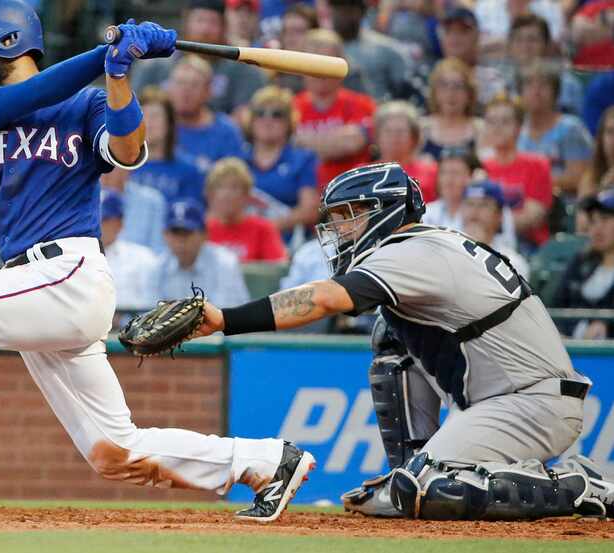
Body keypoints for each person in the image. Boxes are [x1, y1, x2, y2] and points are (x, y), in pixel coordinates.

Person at [0, 1, 314, 524]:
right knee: (114, 451)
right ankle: (264, 461)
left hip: (68, 273)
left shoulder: (86, 104)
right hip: (32, 286)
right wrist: (107, 52)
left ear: (8, 36)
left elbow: (127, 150)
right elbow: (35, 94)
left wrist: (119, 75)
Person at [186, 161, 614, 521]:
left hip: (530, 401)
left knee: (434, 490)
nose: (341, 228)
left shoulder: (410, 251)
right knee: (390, 340)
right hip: (503, 399)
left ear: (385, 211)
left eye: (351, 214)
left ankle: (578, 484)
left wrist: (226, 319)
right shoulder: (423, 246)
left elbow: (323, 298)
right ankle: (414, 470)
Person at [131, 0, 268, 119]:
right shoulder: (154, 67)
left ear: (224, 27)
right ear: (186, 22)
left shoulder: (243, 70)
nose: (205, 29)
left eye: (212, 22)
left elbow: (246, 120)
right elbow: (132, 113)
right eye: (200, 20)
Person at [293, 28, 376, 191]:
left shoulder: (363, 105)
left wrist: (303, 143)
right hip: (303, 197)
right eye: (312, 64)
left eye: (327, 62)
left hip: (352, 196)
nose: (319, 71)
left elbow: (352, 144)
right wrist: (334, 142)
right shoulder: (289, 107)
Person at [242, 85, 319, 236]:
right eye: (260, 113)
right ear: (251, 120)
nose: (267, 120)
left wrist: (267, 228)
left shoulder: (302, 159)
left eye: (277, 114)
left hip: (286, 245)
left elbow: (310, 211)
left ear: (289, 121)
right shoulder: (238, 160)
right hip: (242, 243)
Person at [151, 199, 252, 308]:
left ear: (204, 235)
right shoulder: (158, 265)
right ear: (165, 235)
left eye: (187, 233)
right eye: (175, 233)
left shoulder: (224, 262)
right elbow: (149, 312)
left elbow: (228, 312)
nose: (180, 241)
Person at [481, 95, 553, 249]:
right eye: (491, 121)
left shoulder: (537, 165)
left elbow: (532, 217)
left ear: (519, 127)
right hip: (486, 243)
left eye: (505, 121)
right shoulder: (480, 166)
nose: (497, 127)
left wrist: (488, 221)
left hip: (527, 245)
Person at [517, 60, 593, 197]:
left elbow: (578, 176)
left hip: (563, 204)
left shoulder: (570, 128)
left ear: (555, 92)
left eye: (543, 85)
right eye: (529, 84)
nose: (536, 91)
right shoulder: (516, 128)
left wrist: (533, 183)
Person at [167, 55, 246, 174]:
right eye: (180, 83)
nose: (185, 91)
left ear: (208, 91)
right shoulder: (158, 127)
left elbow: (233, 180)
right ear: (169, 88)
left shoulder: (226, 132)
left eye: (194, 85)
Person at [553, 190, 614, 340]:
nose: (597, 228)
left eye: (605, 219)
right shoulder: (580, 262)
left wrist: (607, 327)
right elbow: (558, 308)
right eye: (592, 221)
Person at [129, 87, 205, 204]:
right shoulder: (122, 167)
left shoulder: (188, 170)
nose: (148, 123)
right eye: (143, 115)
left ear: (169, 124)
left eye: (155, 116)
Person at [205, 157, 287, 262]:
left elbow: (277, 270)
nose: (227, 194)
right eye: (220, 187)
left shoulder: (263, 229)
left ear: (246, 195)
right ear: (210, 195)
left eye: (234, 187)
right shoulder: (203, 231)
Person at [328, 0, 411, 101]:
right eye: (338, 9)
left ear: (362, 12)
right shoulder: (319, 49)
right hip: (330, 113)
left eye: (349, 10)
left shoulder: (386, 48)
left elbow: (403, 89)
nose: (343, 15)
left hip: (375, 109)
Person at [503, 14, 583, 116]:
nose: (525, 46)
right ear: (510, 46)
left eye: (532, 40)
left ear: (547, 46)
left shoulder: (567, 83)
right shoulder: (502, 82)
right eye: (518, 40)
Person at [99, 189, 157, 312]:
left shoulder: (143, 258)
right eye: (92, 218)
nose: (96, 225)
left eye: (104, 220)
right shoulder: (72, 257)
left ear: (119, 223)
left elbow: (152, 305)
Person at [460, 179, 529, 279]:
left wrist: (480, 249)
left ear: (499, 215)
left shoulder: (513, 263)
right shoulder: (446, 250)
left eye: (484, 205)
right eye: (470, 204)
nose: (475, 211)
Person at [437, 6, 505, 106]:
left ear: (477, 36)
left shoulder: (492, 78)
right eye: (449, 31)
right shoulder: (430, 76)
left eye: (463, 31)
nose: (455, 37)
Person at [420, 58, 482, 161]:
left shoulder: (480, 130)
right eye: (444, 86)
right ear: (434, 92)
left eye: (458, 86)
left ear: (469, 94)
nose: (451, 93)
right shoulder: (421, 129)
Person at [374, 101, 437, 202]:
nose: (394, 137)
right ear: (377, 136)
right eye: (388, 131)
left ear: (414, 137)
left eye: (400, 131)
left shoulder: (432, 172)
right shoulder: (361, 173)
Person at [100, 166, 168, 254]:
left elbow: (158, 249)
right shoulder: (84, 199)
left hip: (142, 264)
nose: (106, 171)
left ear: (127, 167)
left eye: (111, 164)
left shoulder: (152, 200)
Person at [580, 106, 614, 199]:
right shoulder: (591, 176)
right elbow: (582, 211)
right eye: (610, 131)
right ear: (601, 137)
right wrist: (604, 187)